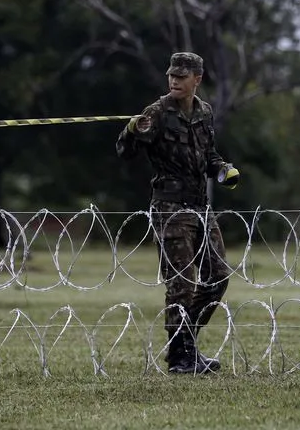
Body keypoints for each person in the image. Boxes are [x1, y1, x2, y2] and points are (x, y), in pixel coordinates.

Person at [116, 51, 240, 375]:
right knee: (181, 283)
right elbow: (124, 153)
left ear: (196, 80)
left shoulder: (205, 113)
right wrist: (131, 130)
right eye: (171, 75)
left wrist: (223, 170)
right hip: (170, 209)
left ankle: (186, 345)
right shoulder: (156, 113)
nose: (174, 81)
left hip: (200, 205)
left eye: (181, 77)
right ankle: (181, 357)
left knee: (218, 276)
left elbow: (209, 155)